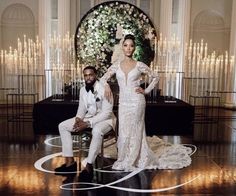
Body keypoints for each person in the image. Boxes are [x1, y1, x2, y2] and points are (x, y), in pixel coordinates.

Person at [100, 34, 192, 171]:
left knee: (136, 130)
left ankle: (133, 160)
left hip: (137, 101)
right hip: (123, 103)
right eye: (126, 45)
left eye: (131, 45)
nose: (128, 48)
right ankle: (124, 158)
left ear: (134, 48)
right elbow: (102, 79)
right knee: (124, 131)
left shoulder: (139, 65)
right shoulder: (116, 66)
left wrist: (146, 90)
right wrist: (106, 85)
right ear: (122, 47)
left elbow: (155, 76)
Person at [55, 66, 116, 181]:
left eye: (90, 75)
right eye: (85, 75)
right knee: (62, 126)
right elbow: (82, 108)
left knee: (97, 131)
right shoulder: (83, 90)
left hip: (106, 120)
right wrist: (78, 119)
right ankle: (69, 163)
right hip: (89, 117)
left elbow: (107, 113)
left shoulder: (105, 89)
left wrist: (87, 123)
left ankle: (89, 165)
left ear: (95, 75)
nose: (88, 78)